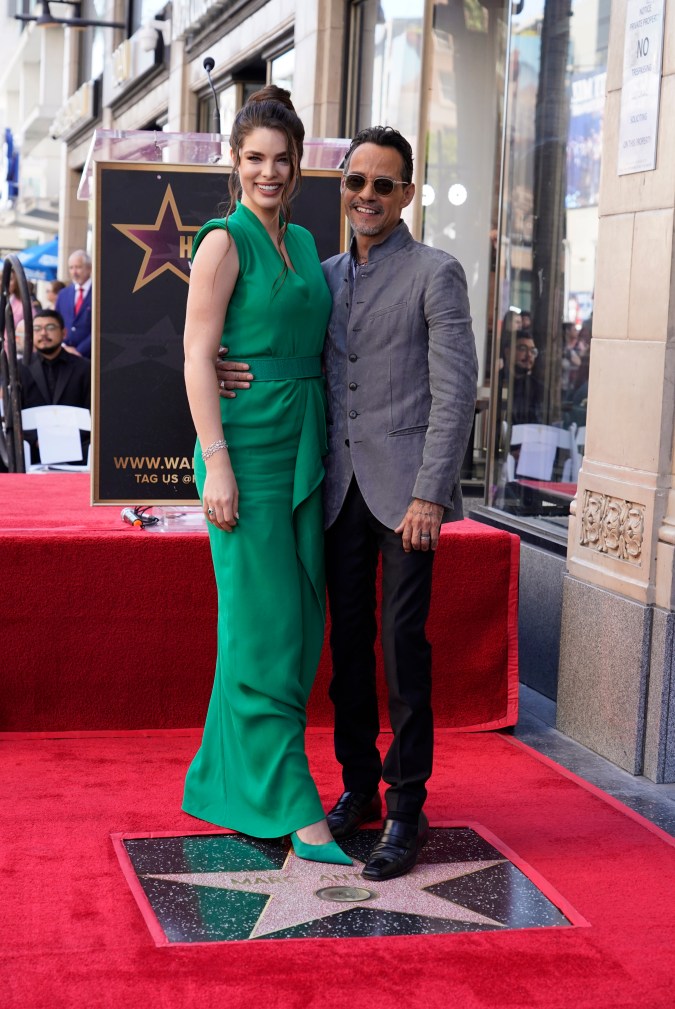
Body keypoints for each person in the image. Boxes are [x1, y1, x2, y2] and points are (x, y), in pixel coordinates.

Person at [217, 125, 478, 881]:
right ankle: (357, 786)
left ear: (406, 194)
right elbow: (280, 343)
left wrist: (431, 490)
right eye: (355, 181)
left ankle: (404, 806)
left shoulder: (437, 272)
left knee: (403, 649)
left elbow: (456, 392)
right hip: (332, 491)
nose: (365, 195)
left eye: (382, 184)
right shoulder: (321, 272)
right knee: (346, 653)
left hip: (406, 498)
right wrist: (234, 369)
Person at [181, 86, 350, 867]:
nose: (269, 172)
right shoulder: (222, 241)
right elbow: (195, 355)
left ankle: (225, 785)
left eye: (282, 159)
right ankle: (294, 803)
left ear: (299, 162)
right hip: (243, 455)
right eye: (254, 158)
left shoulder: (311, 243)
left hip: (303, 444)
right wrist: (215, 460)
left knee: (295, 621)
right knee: (267, 627)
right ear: (233, 161)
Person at [19, 309, 91, 465]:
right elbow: (13, 415)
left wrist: (67, 441)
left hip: (78, 449)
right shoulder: (19, 369)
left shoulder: (84, 368)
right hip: (31, 450)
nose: (43, 333)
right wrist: (37, 441)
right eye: (37, 329)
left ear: (64, 333)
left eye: (50, 327)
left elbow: (92, 413)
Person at [55, 250, 92, 358]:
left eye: (78, 267)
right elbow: (57, 322)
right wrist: (63, 347)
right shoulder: (63, 294)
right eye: (71, 268)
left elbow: (101, 328)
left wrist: (79, 351)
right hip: (64, 354)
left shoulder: (98, 293)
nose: (74, 272)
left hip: (89, 357)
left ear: (89, 268)